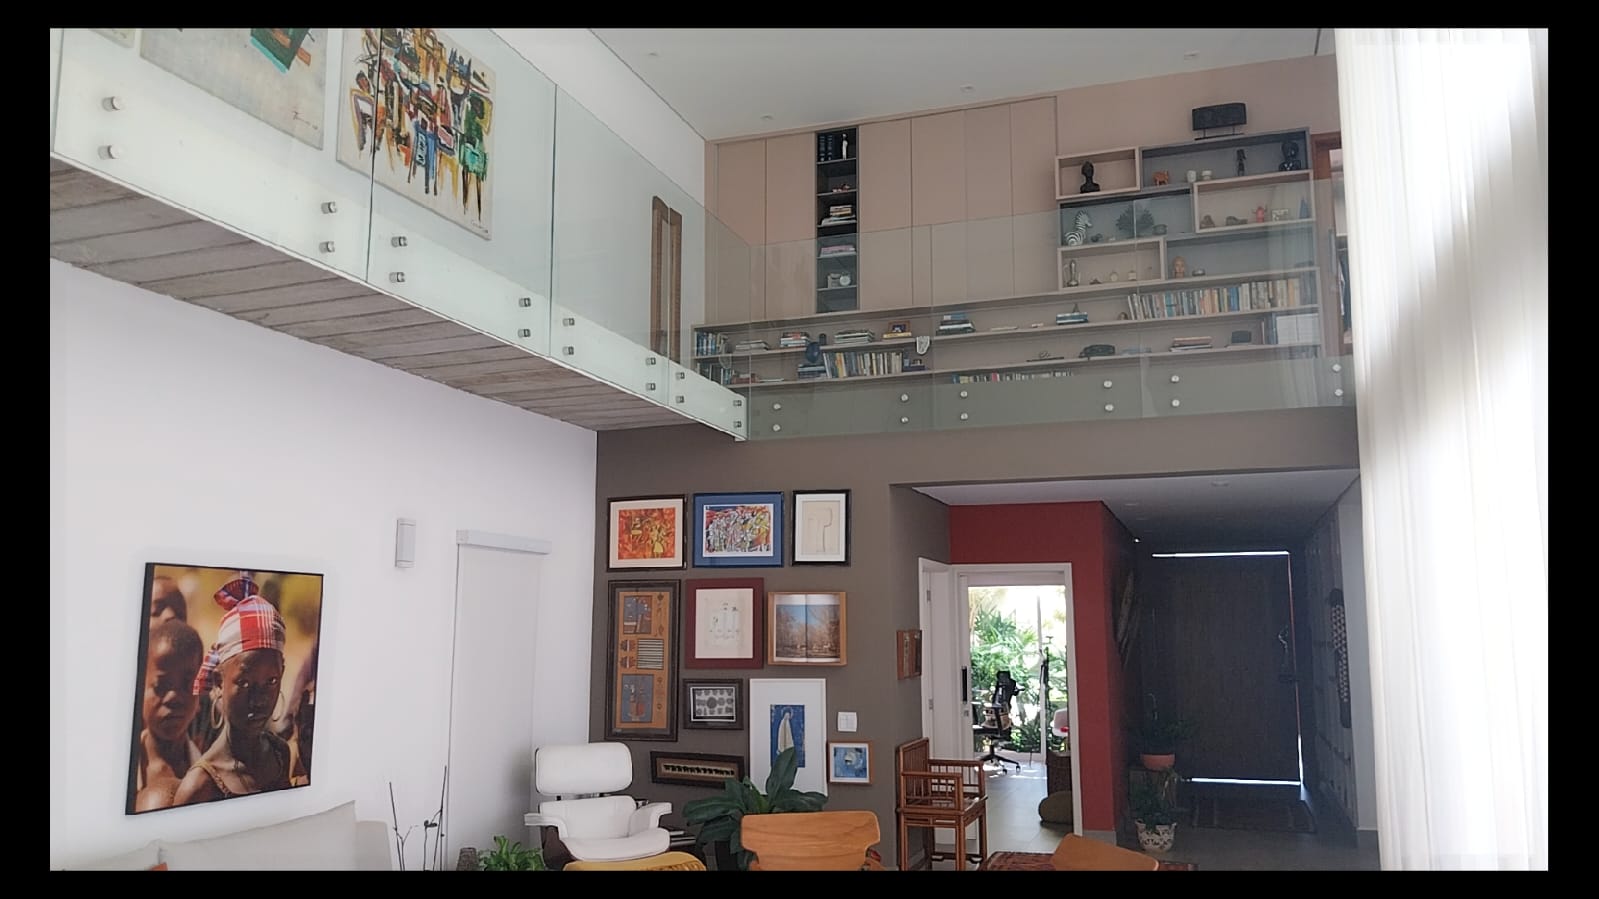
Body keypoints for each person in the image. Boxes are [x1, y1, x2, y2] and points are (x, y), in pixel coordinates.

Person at [172, 576, 293, 806]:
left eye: (271, 681)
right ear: (219, 682)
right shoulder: (199, 787)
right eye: (245, 683)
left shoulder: (279, 754)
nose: (258, 700)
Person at [132, 618, 205, 812]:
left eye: (187, 685)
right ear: (140, 688)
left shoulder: (210, 776)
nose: (174, 697)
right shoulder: (121, 771)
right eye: (161, 685)